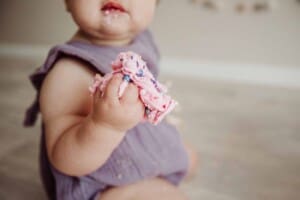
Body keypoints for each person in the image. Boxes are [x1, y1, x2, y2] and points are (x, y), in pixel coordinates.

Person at [24, 0, 197, 199]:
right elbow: (64, 159)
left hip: (135, 143)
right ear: (67, 2)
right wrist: (105, 125)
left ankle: (154, 167)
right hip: (102, 185)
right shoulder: (68, 72)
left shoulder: (143, 40)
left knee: (189, 158)